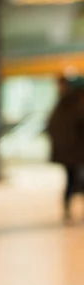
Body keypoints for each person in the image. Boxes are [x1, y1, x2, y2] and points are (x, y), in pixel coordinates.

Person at [46, 76, 84, 222]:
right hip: (77, 152)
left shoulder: (62, 104)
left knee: (71, 179)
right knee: (75, 178)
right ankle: (68, 207)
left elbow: (51, 127)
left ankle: (67, 207)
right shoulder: (78, 104)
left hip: (68, 152)